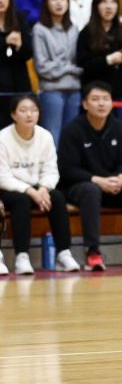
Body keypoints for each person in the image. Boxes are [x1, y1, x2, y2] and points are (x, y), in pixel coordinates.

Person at [58, 81, 122, 271]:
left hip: (111, 185)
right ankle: (92, 251)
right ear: (85, 104)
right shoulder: (72, 130)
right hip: (80, 186)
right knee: (90, 190)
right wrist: (98, 180)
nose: (101, 104)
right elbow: (67, 169)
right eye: (95, 99)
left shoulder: (119, 127)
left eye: (106, 99)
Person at [0, 94, 79, 275]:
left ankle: (64, 253)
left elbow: (52, 170)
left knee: (57, 197)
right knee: (22, 201)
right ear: (13, 115)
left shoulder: (45, 136)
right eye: (23, 110)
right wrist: (30, 191)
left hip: (37, 187)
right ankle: (22, 256)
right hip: (9, 189)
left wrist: (43, 188)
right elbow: (2, 177)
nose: (29, 114)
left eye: (34, 110)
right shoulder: (3, 138)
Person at [75, 0, 122, 131]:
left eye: (113, 2)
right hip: (97, 94)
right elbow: (83, 63)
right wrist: (108, 60)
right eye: (104, 2)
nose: (109, 7)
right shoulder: (87, 32)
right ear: (96, 6)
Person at [33, 0, 82, 144]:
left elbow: (80, 64)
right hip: (51, 90)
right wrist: (68, 68)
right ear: (46, 3)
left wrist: (62, 67)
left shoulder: (74, 29)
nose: (58, 3)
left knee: (71, 138)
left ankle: (67, 169)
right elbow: (42, 67)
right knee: (52, 136)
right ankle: (51, 169)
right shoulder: (39, 29)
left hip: (74, 90)